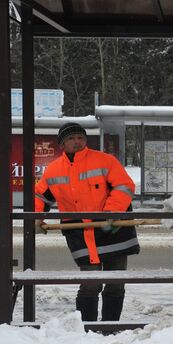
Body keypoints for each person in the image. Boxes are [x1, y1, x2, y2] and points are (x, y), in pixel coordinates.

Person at [34, 122, 140, 321]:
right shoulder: (53, 170)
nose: (77, 142)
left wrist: (112, 211)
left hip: (112, 229)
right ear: (62, 144)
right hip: (80, 233)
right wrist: (37, 217)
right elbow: (39, 197)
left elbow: (124, 186)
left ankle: (110, 327)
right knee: (89, 284)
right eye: (71, 139)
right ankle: (87, 329)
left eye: (80, 137)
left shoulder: (105, 161)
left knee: (115, 283)